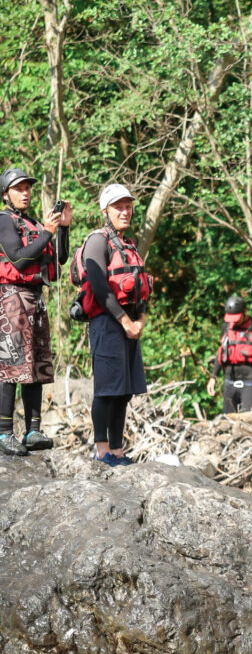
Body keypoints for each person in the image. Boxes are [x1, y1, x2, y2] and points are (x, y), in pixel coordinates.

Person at [70, 183, 152, 466]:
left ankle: (118, 450)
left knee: (125, 390)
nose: (125, 211)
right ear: (105, 210)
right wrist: (125, 321)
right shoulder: (97, 240)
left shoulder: (129, 246)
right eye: (119, 207)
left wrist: (139, 320)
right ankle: (102, 450)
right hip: (107, 322)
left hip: (130, 323)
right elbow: (99, 285)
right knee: (107, 389)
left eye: (128, 206)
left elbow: (140, 287)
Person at [0, 168, 72, 456]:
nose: (25, 192)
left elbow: (60, 259)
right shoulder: (4, 220)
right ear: (6, 194)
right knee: (11, 365)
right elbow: (18, 259)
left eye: (28, 187)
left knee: (36, 366)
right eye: (18, 188)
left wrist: (63, 228)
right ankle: (4, 433)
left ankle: (33, 430)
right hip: (12, 298)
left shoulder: (34, 223)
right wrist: (47, 232)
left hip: (36, 298)